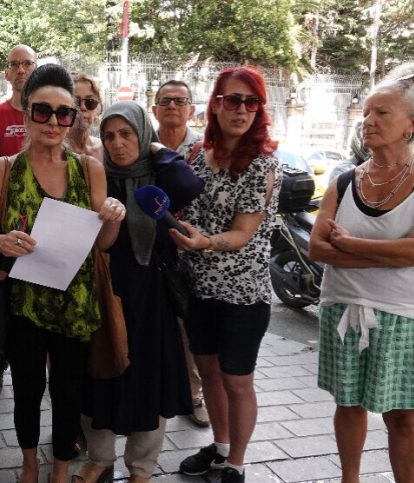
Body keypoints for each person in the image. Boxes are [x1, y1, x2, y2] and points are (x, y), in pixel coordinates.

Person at [0, 63, 126, 483]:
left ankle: (60, 470)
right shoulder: (5, 169)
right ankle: (28, 463)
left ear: (73, 117)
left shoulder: (89, 169)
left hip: (75, 302)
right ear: (26, 113)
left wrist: (113, 215)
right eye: (43, 111)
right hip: (23, 303)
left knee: (68, 391)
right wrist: (2, 242)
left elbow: (103, 244)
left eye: (64, 113)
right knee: (26, 390)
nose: (53, 122)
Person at [309, 64, 414, 483]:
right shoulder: (345, 181)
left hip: (409, 313)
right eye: (366, 112)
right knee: (348, 404)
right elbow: (317, 248)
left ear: (413, 123)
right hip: (345, 305)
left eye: (382, 113)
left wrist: (350, 244)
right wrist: (398, 252)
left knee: (405, 418)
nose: (368, 121)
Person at [75, 102, 203, 483]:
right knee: (100, 377)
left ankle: (142, 467)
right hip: (105, 293)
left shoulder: (159, 177)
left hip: (151, 299)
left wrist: (155, 148)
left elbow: (189, 184)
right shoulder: (99, 176)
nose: (117, 143)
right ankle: (100, 458)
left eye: (127, 134)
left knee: (150, 382)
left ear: (142, 134)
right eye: (109, 136)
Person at [168, 66, 281, 483]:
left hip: (242, 295)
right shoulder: (198, 155)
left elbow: (242, 233)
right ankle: (219, 447)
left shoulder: (263, 164)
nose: (242, 109)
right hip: (197, 289)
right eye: (233, 100)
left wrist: (204, 242)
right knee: (210, 374)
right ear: (215, 105)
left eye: (252, 102)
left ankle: (237, 461)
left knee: (237, 381)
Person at [152, 79, 210, 428]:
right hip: (152, 250)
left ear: (191, 109)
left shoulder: (205, 150)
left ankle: (193, 394)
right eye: (165, 101)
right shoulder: (143, 145)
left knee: (189, 327)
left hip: (193, 252)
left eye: (180, 101)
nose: (172, 106)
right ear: (154, 108)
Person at [0, 44, 37, 157]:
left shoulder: (50, 114)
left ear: (37, 71)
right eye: (14, 64)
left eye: (27, 63)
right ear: (6, 74)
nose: (21, 70)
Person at [67, 71, 104, 161]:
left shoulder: (106, 149)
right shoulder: (53, 151)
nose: (83, 108)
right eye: (75, 102)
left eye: (90, 102)